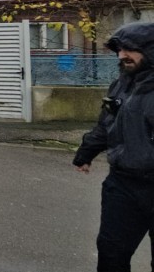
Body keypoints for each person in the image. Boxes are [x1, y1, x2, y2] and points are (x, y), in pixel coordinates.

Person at [73, 22, 154, 271]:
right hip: (123, 185)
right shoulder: (122, 83)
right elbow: (107, 123)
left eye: (129, 49)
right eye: (119, 49)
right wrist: (86, 152)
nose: (121, 55)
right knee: (111, 254)